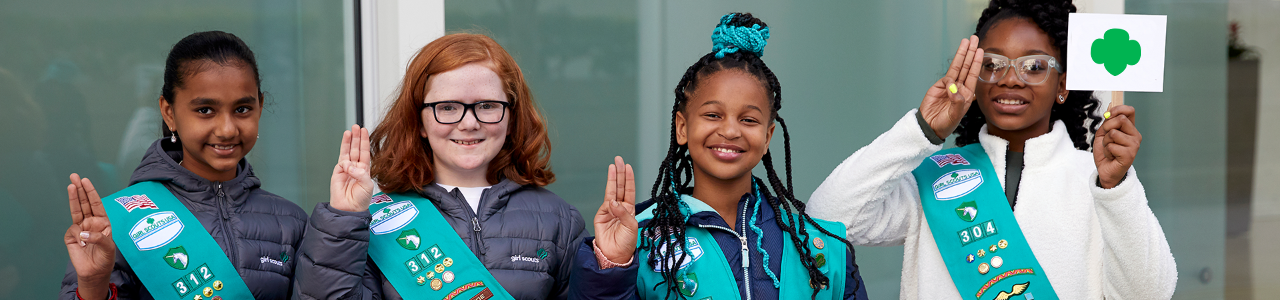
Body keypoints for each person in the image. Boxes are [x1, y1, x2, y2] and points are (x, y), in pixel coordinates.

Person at [806, 0, 1178, 298]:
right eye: (992, 64)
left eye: (1034, 66)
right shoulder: (936, 176)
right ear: (972, 75)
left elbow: (1150, 293)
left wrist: (1116, 190)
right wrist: (920, 132)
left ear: (1062, 84)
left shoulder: (1097, 181)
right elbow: (830, 216)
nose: (1010, 79)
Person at [572, 13, 868, 300]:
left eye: (749, 120)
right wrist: (610, 265)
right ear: (682, 127)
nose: (730, 130)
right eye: (713, 115)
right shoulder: (641, 238)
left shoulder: (822, 248)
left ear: (767, 137)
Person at [292, 33, 587, 300]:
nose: (469, 123)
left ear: (511, 117)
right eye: (447, 107)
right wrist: (343, 219)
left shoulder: (559, 220)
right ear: (418, 120)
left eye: (487, 106)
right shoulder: (370, 222)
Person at [59, 31, 307, 300]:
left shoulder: (290, 223)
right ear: (169, 112)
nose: (226, 129)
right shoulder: (117, 223)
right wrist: (94, 286)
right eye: (205, 110)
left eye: (242, 109)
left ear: (259, 106)